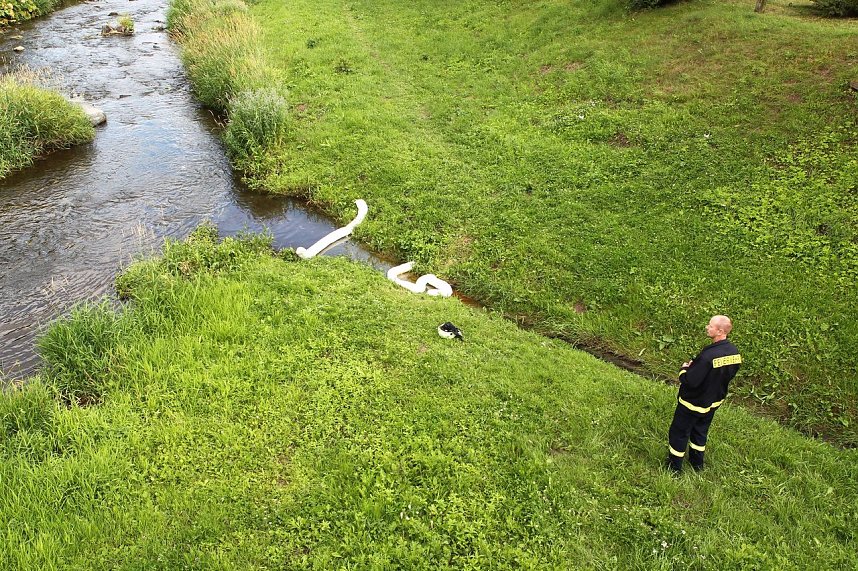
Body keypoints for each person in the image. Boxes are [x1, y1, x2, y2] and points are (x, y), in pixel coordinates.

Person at [666, 315, 741, 473]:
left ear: (720, 331)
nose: (707, 327)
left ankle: (674, 468)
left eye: (710, 326)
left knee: (679, 433)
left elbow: (690, 381)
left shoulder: (708, 356)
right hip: (712, 402)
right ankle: (696, 464)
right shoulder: (734, 353)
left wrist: (685, 368)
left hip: (692, 404)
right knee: (700, 432)